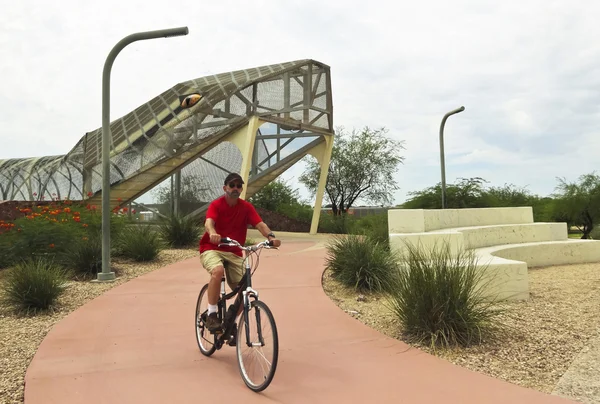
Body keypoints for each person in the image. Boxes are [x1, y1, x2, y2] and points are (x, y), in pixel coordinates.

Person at [199, 172, 281, 337]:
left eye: (239, 185)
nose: (236, 188)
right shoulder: (217, 205)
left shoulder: (246, 207)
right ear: (225, 188)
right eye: (232, 185)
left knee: (245, 291)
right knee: (217, 271)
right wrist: (213, 232)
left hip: (235, 251)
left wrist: (270, 237)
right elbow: (209, 222)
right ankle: (212, 313)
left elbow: (260, 224)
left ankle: (231, 321)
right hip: (212, 248)